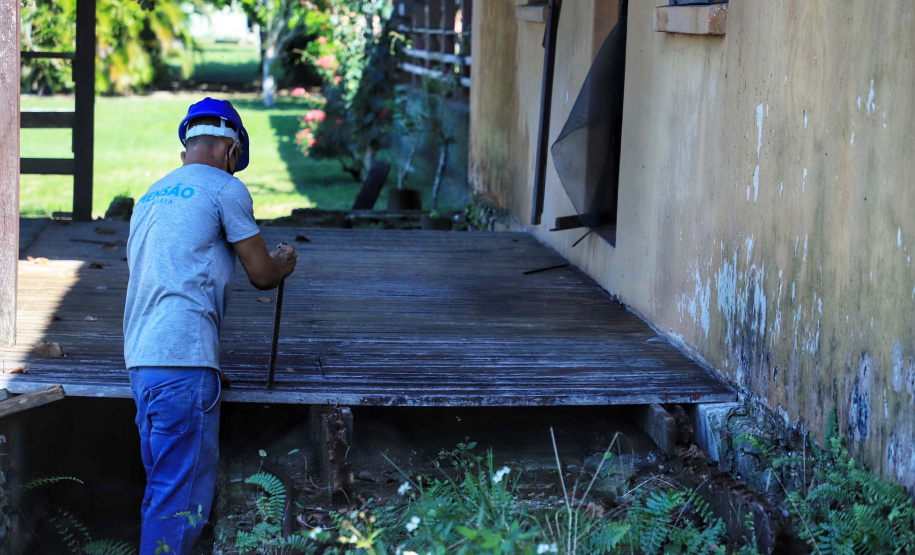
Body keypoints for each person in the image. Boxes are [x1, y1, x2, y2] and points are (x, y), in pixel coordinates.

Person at [123, 97, 297, 554]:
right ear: (231, 151)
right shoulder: (225, 188)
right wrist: (283, 263)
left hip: (142, 364)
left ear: (187, 149)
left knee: (162, 493)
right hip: (183, 364)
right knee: (180, 506)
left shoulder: (149, 196)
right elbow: (262, 274)